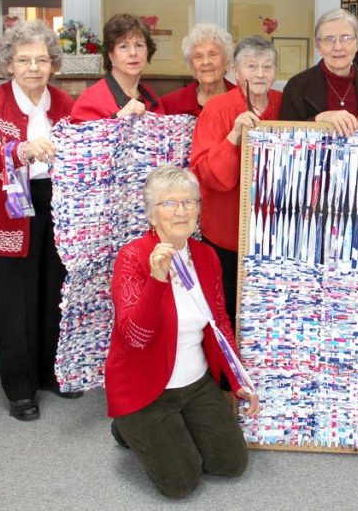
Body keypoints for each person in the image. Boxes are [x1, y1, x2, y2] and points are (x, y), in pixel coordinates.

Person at [106, 165, 260, 499]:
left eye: (189, 202)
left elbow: (219, 322)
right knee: (181, 484)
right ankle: (127, 425)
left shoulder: (205, 256)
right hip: (145, 387)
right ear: (151, 213)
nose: (182, 210)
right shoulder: (132, 257)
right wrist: (157, 280)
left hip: (195, 383)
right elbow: (135, 337)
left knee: (231, 464)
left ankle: (171, 427)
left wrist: (238, 381)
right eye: (170, 203)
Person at [0, 20, 78, 421]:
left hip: (55, 206)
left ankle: (49, 373)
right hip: (8, 210)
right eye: (24, 60)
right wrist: (20, 151)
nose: (33, 67)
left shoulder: (64, 103)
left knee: (52, 292)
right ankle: (20, 388)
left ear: (53, 64)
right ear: (9, 63)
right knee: (14, 301)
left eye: (42, 60)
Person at [190, 36, 282, 339]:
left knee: (269, 310)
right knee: (226, 308)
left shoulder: (284, 105)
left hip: (274, 233)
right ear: (235, 71)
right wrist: (233, 137)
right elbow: (208, 175)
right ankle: (226, 380)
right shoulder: (218, 109)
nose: (260, 74)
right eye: (252, 66)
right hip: (227, 233)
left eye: (267, 66)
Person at [281, 8, 358, 136]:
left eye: (346, 38)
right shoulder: (297, 86)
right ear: (319, 47)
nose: (338, 47)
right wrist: (318, 119)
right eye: (329, 39)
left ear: (357, 43)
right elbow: (285, 137)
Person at [71, 13, 164, 122]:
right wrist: (118, 118)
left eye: (139, 45)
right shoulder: (90, 101)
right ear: (110, 54)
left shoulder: (151, 97)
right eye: (123, 46)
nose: (133, 53)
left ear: (148, 51)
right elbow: (80, 136)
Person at [161, 22, 236, 117]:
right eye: (198, 56)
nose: (206, 62)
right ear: (191, 64)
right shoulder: (169, 105)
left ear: (226, 60)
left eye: (212, 54)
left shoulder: (242, 101)